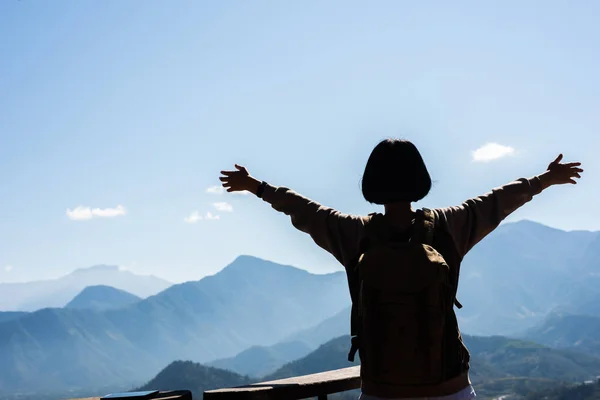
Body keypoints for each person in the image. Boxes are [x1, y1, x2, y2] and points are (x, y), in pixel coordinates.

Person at [219, 139, 583, 400]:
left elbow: (306, 211)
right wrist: (544, 180)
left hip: (382, 387)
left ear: (371, 182)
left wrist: (257, 187)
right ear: (420, 178)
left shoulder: (355, 234)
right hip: (448, 384)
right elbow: (495, 202)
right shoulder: (447, 227)